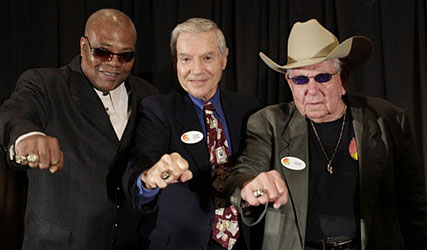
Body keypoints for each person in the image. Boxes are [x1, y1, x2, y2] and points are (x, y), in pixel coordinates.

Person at [224, 19, 427, 250]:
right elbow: (243, 173)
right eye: (300, 79)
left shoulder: (387, 119)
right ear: (290, 84)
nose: (311, 90)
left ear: (343, 80)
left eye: (322, 77)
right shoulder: (269, 123)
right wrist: (251, 185)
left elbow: (413, 205)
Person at [0, 8, 158, 250]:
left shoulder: (148, 95)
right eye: (103, 52)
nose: (114, 64)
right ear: (84, 45)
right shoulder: (45, 84)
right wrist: (26, 135)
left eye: (125, 56)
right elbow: (12, 113)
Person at [123, 17, 260, 250]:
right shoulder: (157, 110)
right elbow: (138, 169)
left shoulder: (248, 108)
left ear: (224, 58)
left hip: (243, 243)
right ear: (176, 62)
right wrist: (150, 178)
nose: (196, 70)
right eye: (186, 59)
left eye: (207, 57)